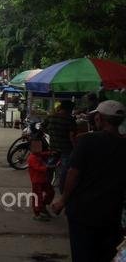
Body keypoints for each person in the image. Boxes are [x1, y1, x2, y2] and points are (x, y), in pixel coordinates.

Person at [52, 100, 126, 262]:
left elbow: (73, 173)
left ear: (99, 118)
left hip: (83, 213)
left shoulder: (88, 141)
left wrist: (62, 200)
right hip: (112, 214)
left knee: (83, 255)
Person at [42, 100, 77, 193]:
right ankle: (62, 190)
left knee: (50, 168)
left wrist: (51, 134)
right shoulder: (70, 119)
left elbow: (42, 127)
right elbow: (72, 136)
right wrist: (75, 148)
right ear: (69, 109)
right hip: (66, 149)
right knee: (64, 171)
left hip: (53, 147)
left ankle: (46, 187)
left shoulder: (51, 116)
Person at [27, 137, 55, 221]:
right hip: (37, 181)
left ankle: (42, 206)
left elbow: (42, 154)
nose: (38, 148)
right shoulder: (31, 158)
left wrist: (50, 153)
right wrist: (48, 167)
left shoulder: (38, 154)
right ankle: (37, 213)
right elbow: (38, 167)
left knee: (51, 192)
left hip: (44, 179)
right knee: (37, 197)